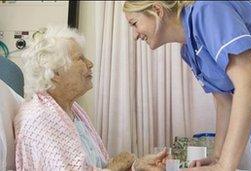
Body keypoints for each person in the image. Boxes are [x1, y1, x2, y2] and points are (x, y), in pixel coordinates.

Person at [123, 1, 251, 171]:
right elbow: (224, 102)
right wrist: (217, 157)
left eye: (134, 23)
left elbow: (249, 83)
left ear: (157, 10)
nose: (134, 35)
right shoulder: (188, 51)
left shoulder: (208, 8)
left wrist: (225, 166)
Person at [14, 26, 168, 171]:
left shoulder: (70, 111)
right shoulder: (39, 119)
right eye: (80, 58)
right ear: (55, 74)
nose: (90, 64)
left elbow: (95, 166)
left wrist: (136, 166)